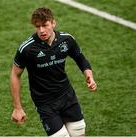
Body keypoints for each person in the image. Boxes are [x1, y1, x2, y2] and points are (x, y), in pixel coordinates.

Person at [10, 7, 97, 137]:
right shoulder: (27, 49)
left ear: (53, 23)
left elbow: (80, 58)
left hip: (68, 97)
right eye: (37, 26)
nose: (41, 30)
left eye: (45, 25)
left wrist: (89, 75)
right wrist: (17, 107)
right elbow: (15, 74)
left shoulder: (66, 40)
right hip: (45, 103)